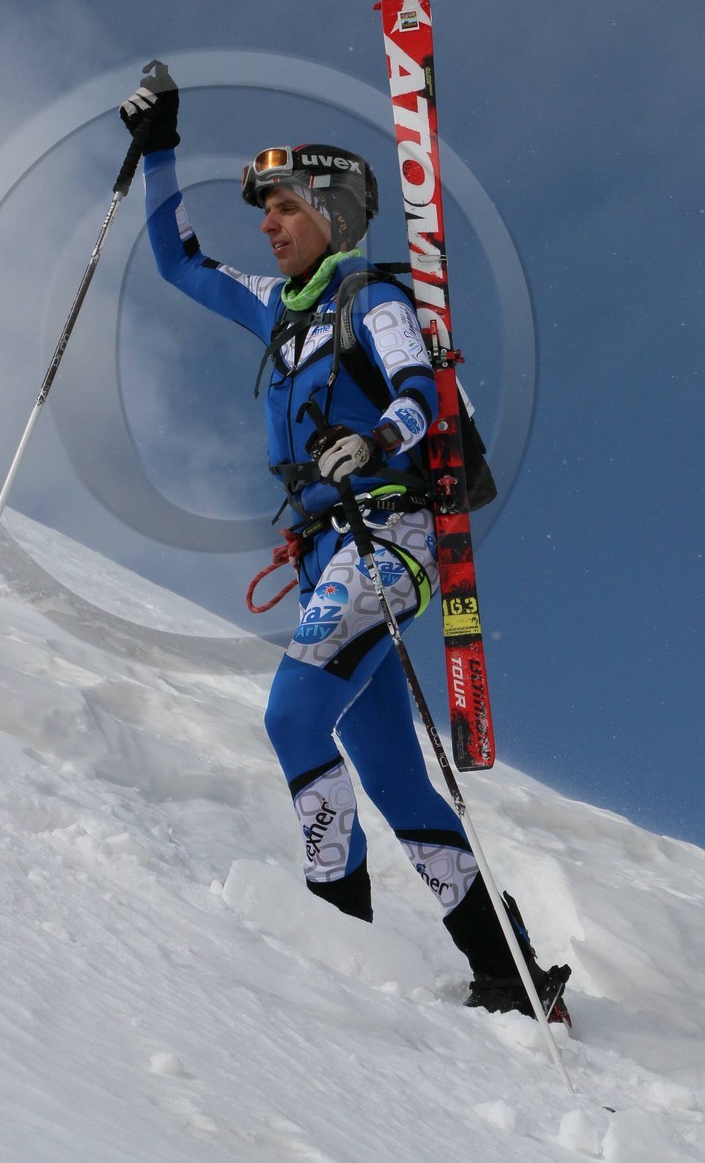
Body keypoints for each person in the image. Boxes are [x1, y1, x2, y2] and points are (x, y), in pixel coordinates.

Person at [120, 62, 570, 1021]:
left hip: (386, 538)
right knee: (391, 770)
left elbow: (420, 395)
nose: (268, 225)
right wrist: (159, 147)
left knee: (289, 716)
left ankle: (336, 929)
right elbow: (176, 263)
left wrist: (372, 438)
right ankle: (512, 971)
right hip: (326, 550)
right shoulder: (279, 311)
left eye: (282, 206)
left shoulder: (372, 298)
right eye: (264, 212)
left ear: (330, 209)